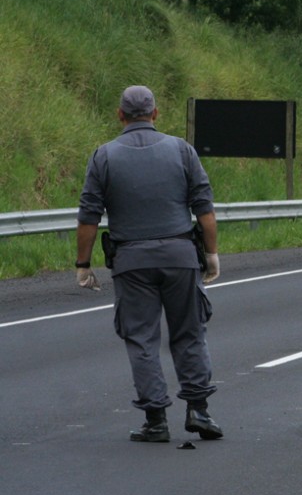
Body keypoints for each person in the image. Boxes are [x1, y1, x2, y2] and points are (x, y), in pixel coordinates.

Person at [75, 85, 223, 444]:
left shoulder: (104, 157)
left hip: (131, 262)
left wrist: (83, 263)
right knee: (189, 333)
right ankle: (199, 410)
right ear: (155, 114)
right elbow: (204, 208)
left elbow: (89, 216)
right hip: (180, 258)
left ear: (120, 114)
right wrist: (212, 253)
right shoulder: (182, 151)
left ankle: (156, 420)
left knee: (141, 339)